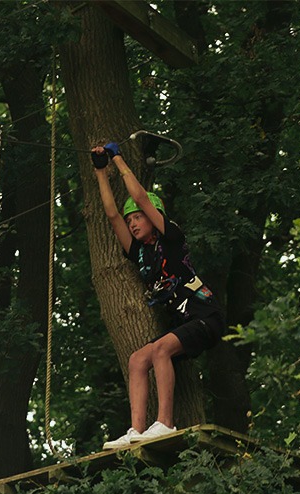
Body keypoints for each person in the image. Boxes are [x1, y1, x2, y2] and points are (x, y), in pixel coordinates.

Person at [91, 142, 225, 451]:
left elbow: (139, 196)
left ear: (154, 215)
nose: (133, 223)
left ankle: (165, 422)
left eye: (137, 217)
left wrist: (118, 159)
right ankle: (136, 429)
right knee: (138, 359)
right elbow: (112, 215)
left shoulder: (171, 236)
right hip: (184, 323)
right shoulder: (140, 253)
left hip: (206, 316)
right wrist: (100, 172)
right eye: (131, 221)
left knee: (161, 348)